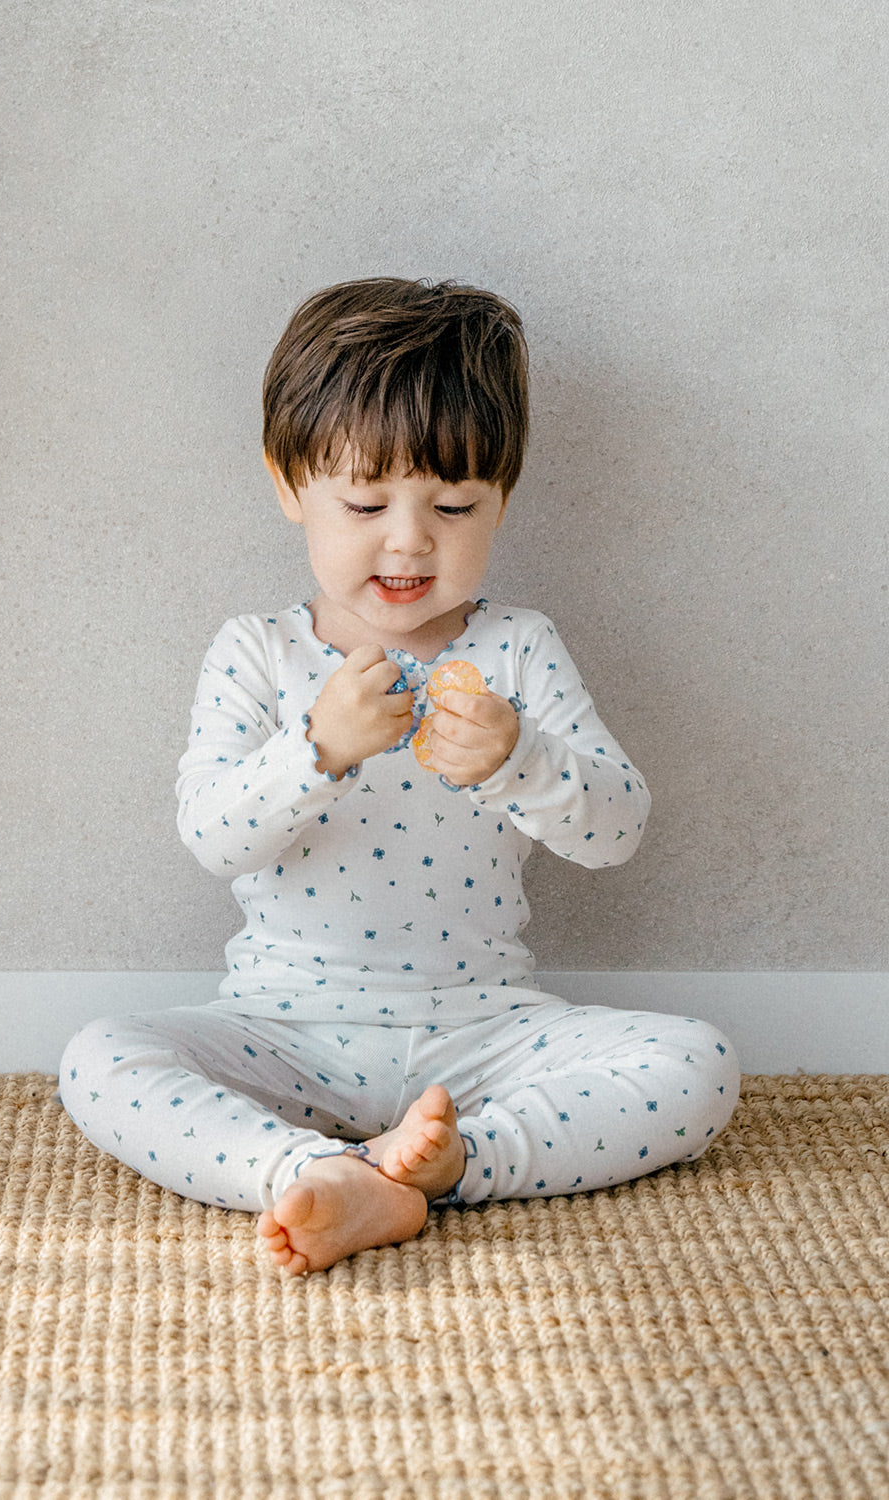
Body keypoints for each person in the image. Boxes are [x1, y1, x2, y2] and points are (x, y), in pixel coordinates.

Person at [59, 277, 739, 1275]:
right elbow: (211, 837)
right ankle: (303, 1170)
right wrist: (315, 752)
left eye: (453, 504)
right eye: (367, 502)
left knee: (698, 1065)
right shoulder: (257, 653)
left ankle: (456, 1162)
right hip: (281, 1028)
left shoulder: (517, 649)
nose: (410, 538)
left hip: (484, 1029)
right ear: (290, 485)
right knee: (100, 1060)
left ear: (502, 495)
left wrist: (520, 759)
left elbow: (616, 828)